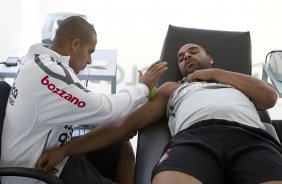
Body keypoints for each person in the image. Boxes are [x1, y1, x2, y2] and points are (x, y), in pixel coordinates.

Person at [36, 43, 282, 184]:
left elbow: (269, 97)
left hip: (251, 140)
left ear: (210, 58)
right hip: (195, 141)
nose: (186, 57)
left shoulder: (235, 82)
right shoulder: (173, 88)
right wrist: (64, 150)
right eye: (182, 58)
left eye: (193, 52)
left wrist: (215, 74)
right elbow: (121, 125)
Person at [0, 16, 168, 184]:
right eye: (90, 52)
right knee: (115, 130)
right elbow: (106, 109)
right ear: (75, 44)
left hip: (49, 154)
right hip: (34, 174)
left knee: (118, 144)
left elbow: (80, 105)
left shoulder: (41, 61)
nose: (89, 61)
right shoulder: (50, 76)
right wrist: (143, 87)